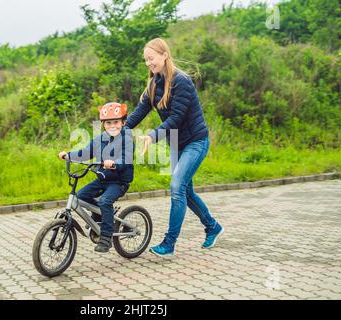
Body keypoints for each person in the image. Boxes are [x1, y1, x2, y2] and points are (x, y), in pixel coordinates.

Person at [125, 38, 224, 257]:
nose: (148, 63)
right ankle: (212, 226)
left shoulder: (182, 81)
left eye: (151, 58)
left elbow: (177, 118)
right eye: (145, 60)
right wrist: (120, 129)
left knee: (177, 187)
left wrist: (153, 136)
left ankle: (169, 244)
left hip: (196, 142)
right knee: (186, 191)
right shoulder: (153, 84)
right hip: (177, 143)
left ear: (164, 55)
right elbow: (140, 112)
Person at [59, 102, 134, 253]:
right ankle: (100, 217)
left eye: (116, 122)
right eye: (108, 123)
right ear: (103, 124)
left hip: (118, 181)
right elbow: (86, 152)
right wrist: (69, 155)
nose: (112, 126)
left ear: (123, 122)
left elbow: (126, 159)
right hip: (102, 178)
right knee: (80, 197)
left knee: (106, 201)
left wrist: (114, 164)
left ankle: (106, 237)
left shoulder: (127, 139)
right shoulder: (100, 140)